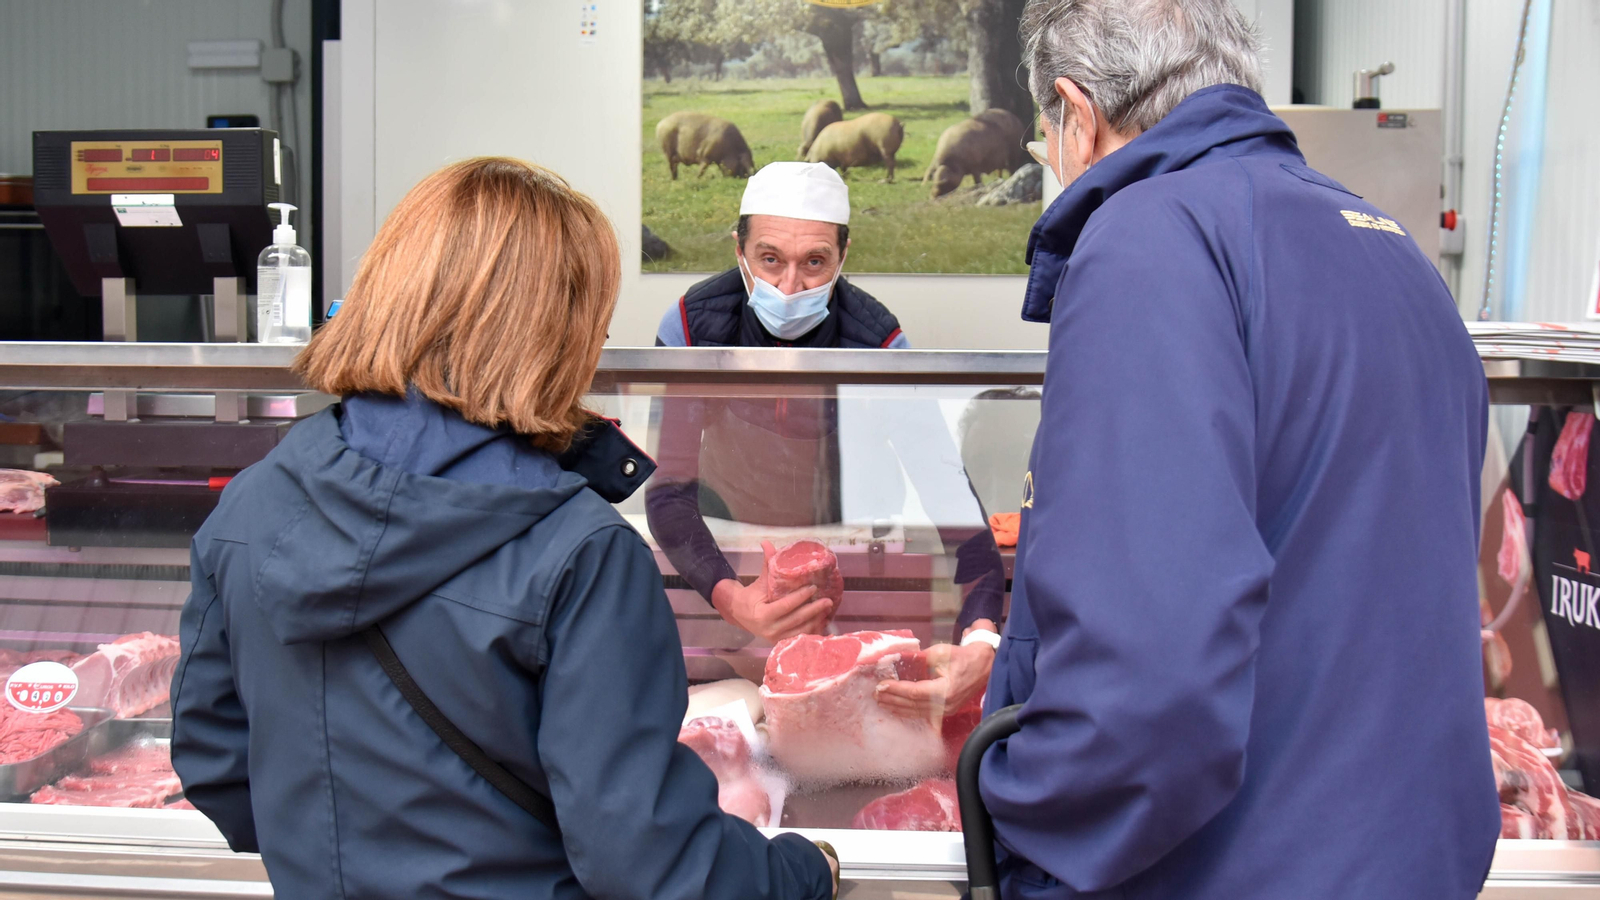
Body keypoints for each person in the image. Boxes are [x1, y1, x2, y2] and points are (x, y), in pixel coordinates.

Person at [170, 157, 837, 900]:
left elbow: (215, 764)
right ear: (558, 332)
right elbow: (649, 862)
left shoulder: (250, 503)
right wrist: (804, 870)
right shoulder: (582, 553)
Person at [980, 2, 1499, 899]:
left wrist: (1017, 813)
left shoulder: (1148, 239)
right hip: (1409, 855)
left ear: (1076, 111)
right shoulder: (1389, 246)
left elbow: (1149, 680)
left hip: (1237, 870)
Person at [649, 162, 1004, 716]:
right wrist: (730, 597)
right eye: (770, 260)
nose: (790, 287)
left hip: (857, 553)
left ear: (844, 255)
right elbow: (667, 493)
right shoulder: (694, 326)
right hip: (724, 552)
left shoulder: (878, 339)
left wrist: (982, 637)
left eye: (814, 263)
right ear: (738, 249)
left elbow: (951, 500)